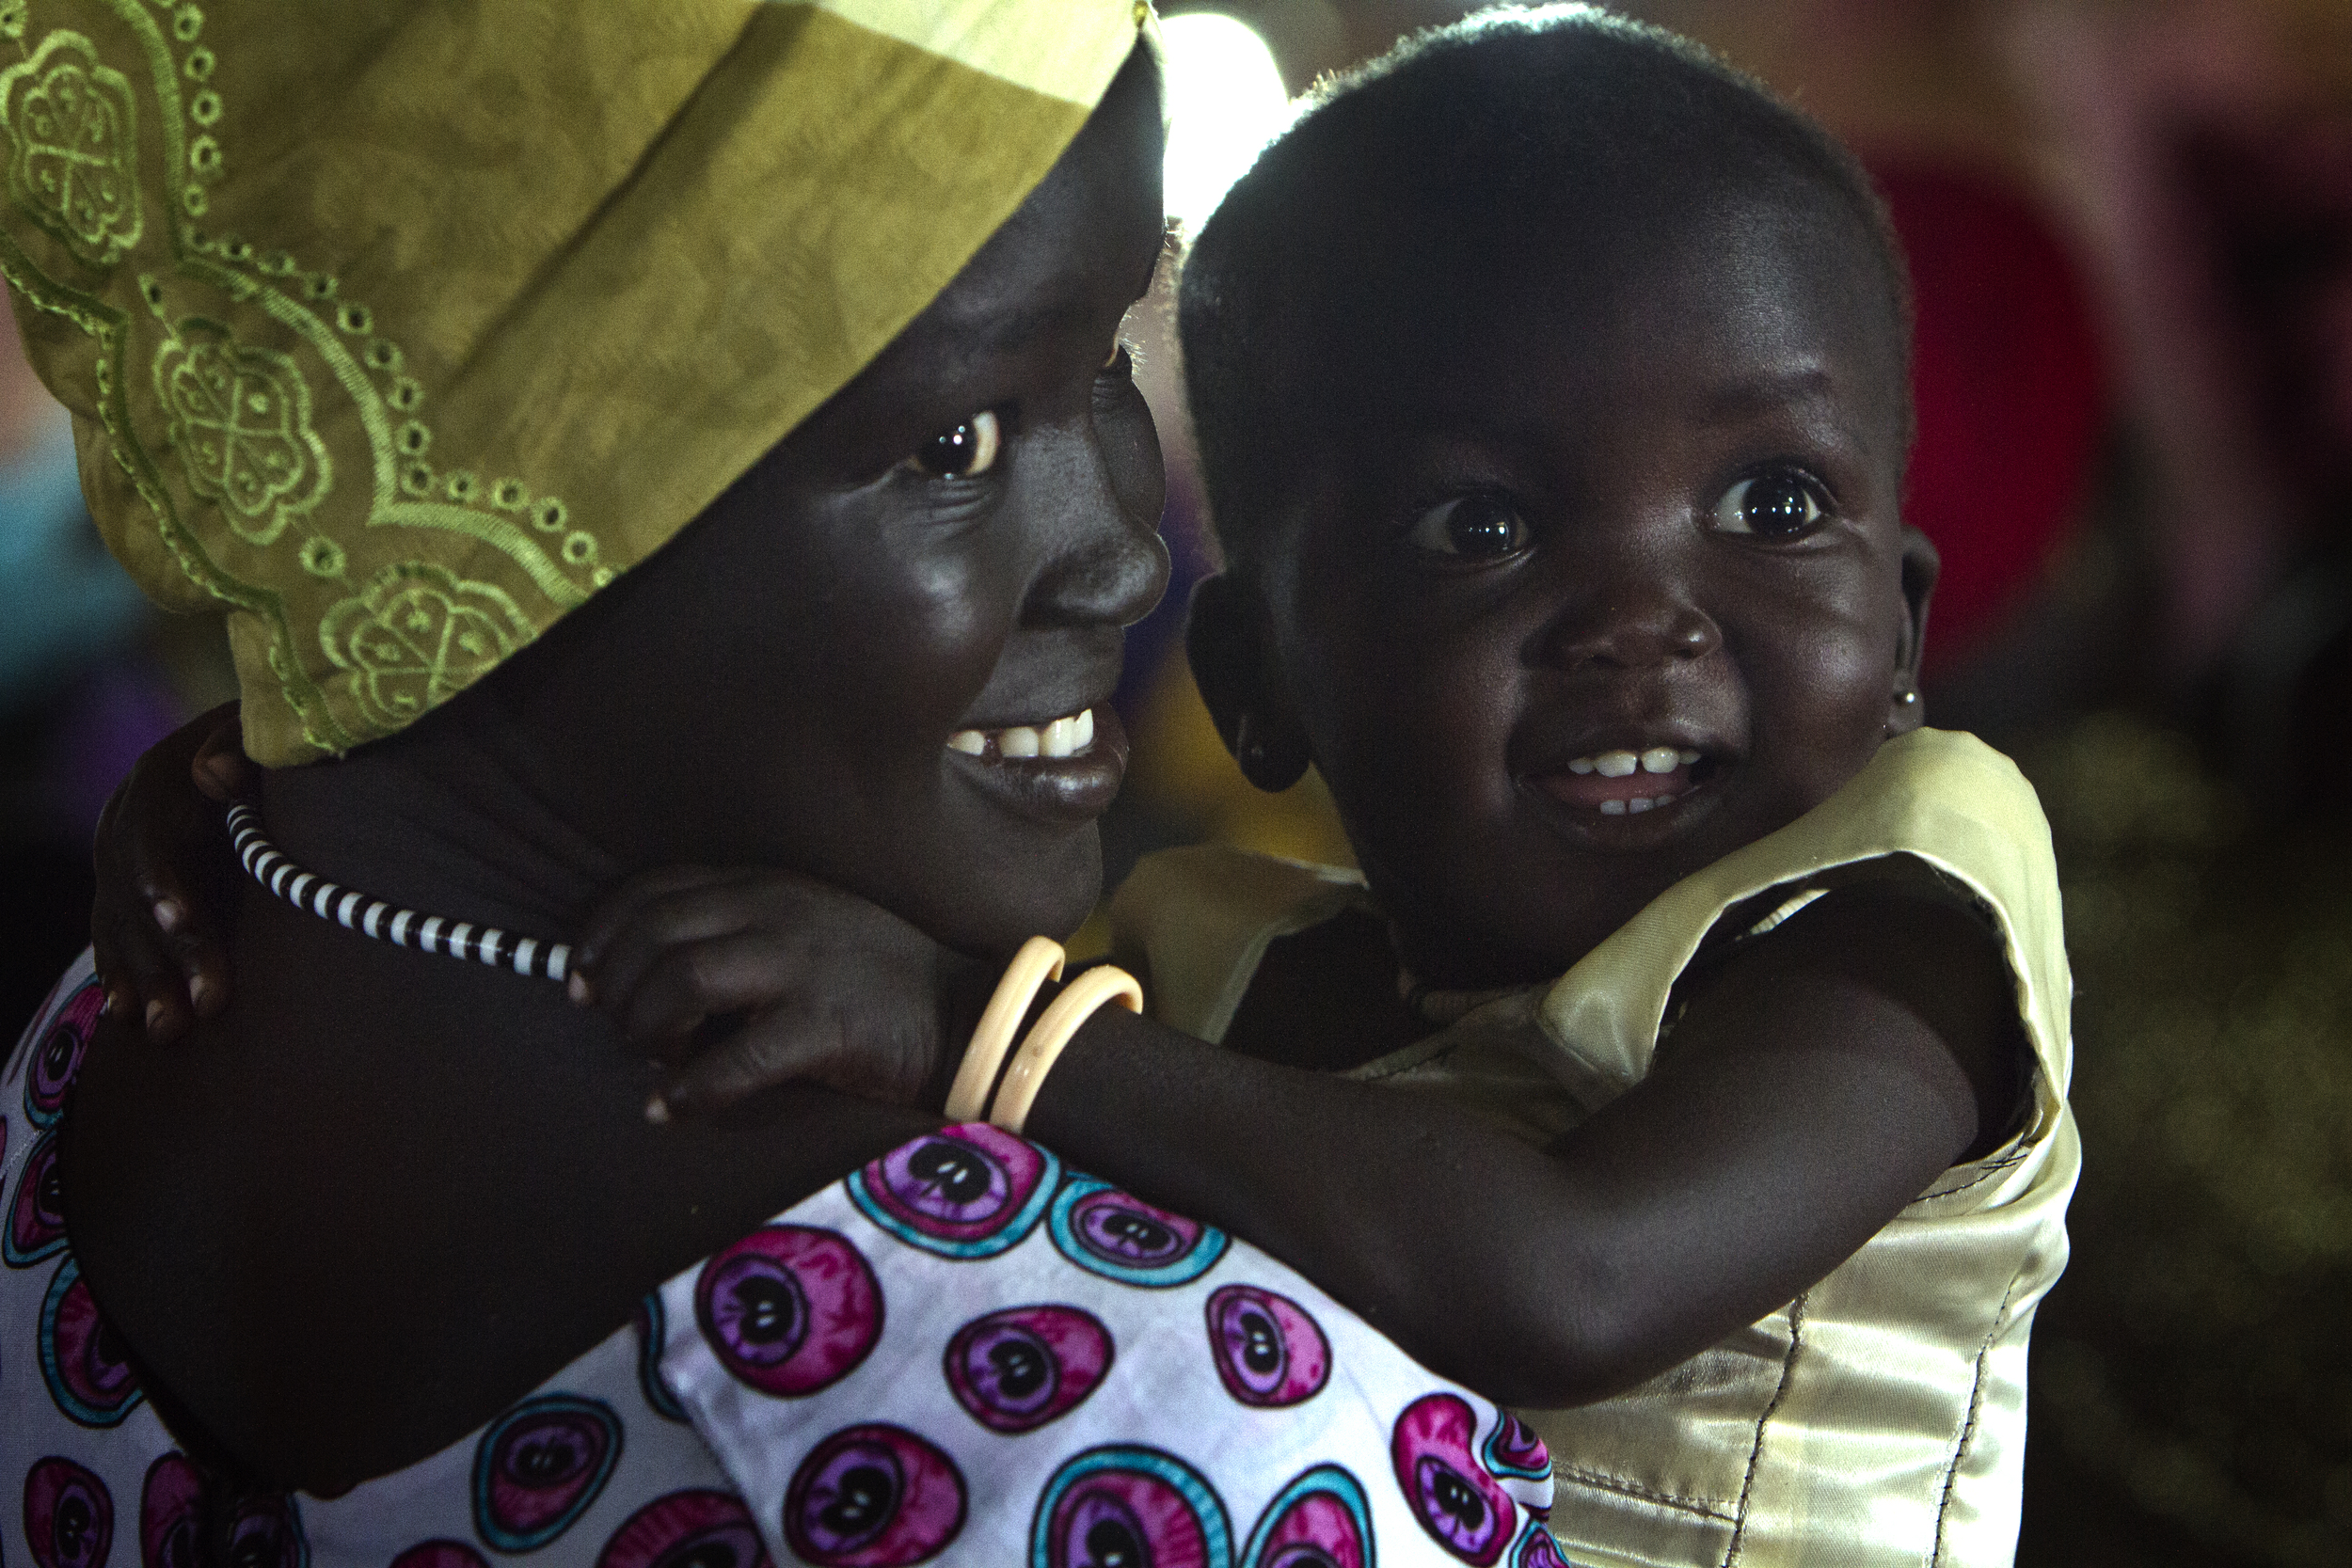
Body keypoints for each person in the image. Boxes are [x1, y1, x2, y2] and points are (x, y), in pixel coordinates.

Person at [91, 8, 2077, 1567]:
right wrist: (308, 762)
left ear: (1901, 623)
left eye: (1773, 505)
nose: (1645, 621)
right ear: (1266, 685)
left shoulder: (1895, 919)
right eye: (1479, 526)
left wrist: (968, 1036)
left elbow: (1566, 1277)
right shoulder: (1221, 959)